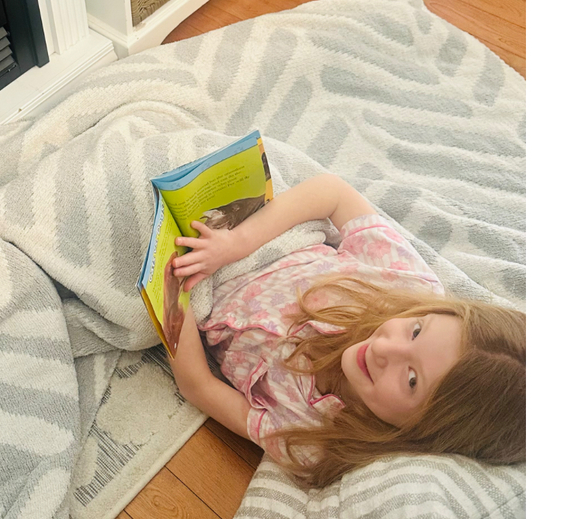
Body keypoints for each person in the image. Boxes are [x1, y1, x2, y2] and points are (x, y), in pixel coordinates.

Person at [169, 173, 526, 488]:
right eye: (415, 331)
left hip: (191, 298)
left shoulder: (312, 439)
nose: (387, 349)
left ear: (424, 431)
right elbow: (331, 191)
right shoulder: (407, 285)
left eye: (412, 379)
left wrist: (174, 292)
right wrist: (239, 243)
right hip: (259, 234)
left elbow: (198, 385)